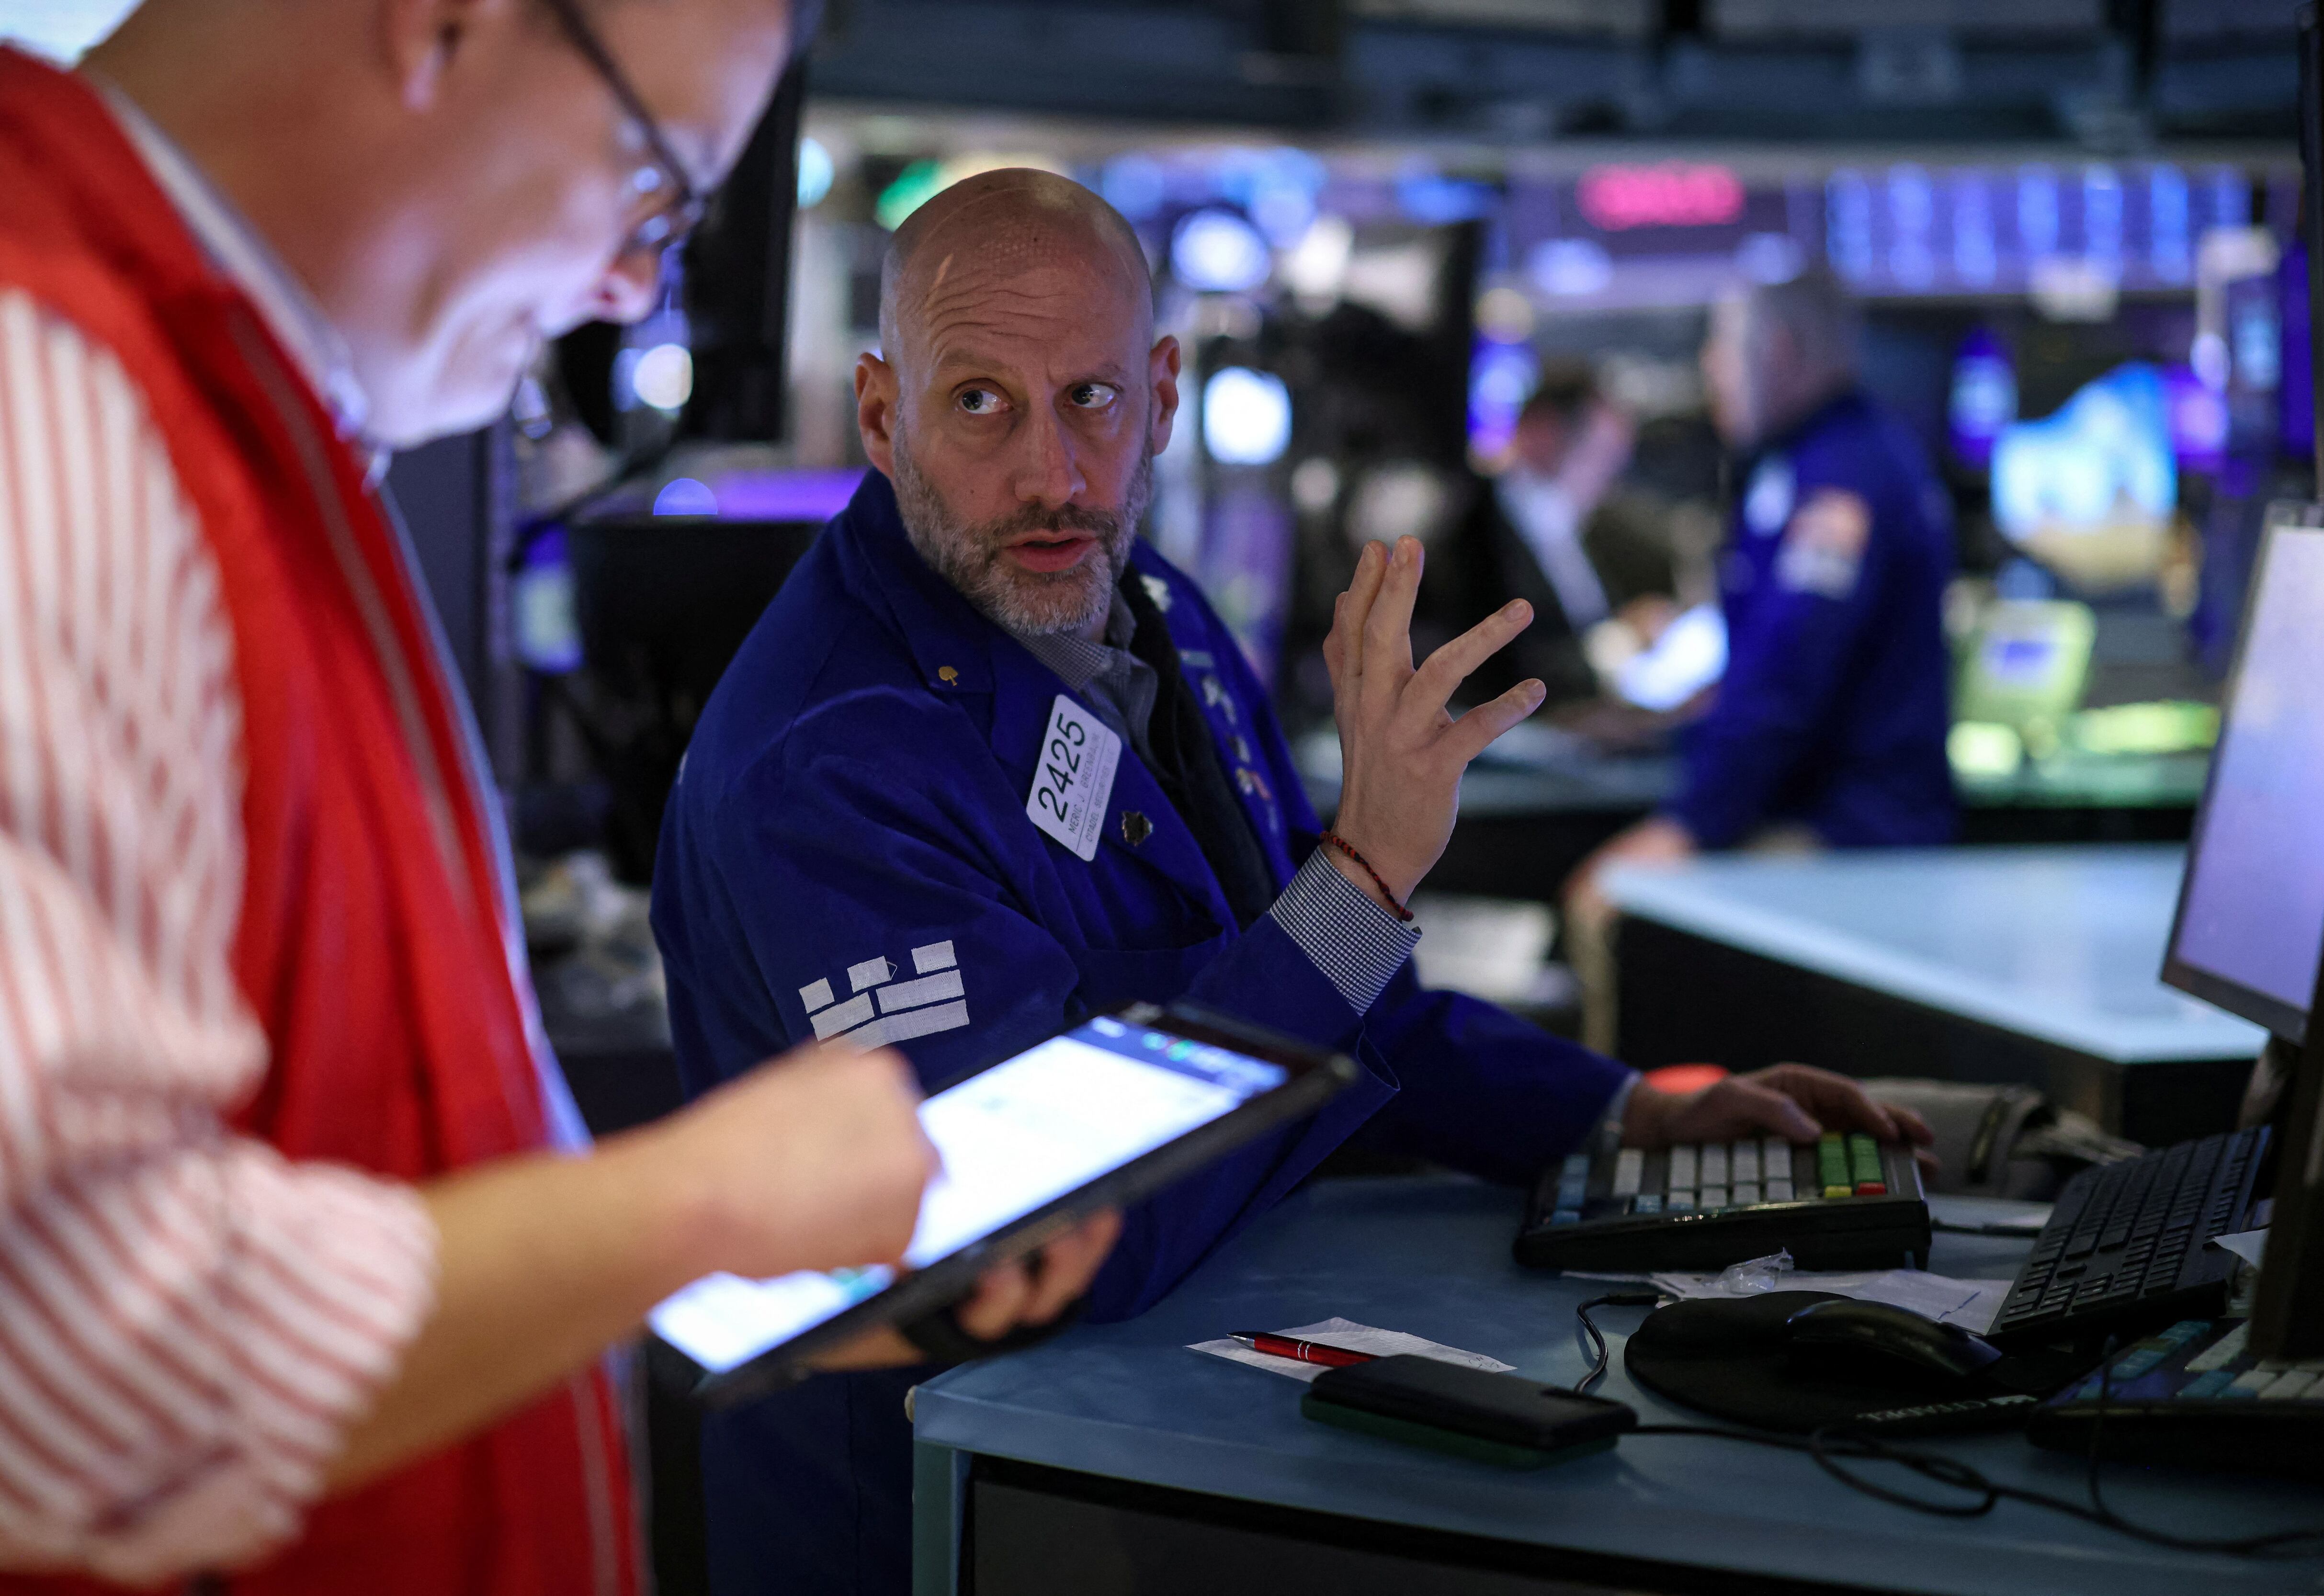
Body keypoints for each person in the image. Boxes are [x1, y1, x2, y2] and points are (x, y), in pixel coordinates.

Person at [651, 169, 1935, 1596]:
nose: (1054, 475)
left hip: (1164, 1442)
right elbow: (1042, 1229)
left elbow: (1334, 1002)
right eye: (979, 403)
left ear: (1163, 395)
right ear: (883, 415)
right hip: (924, 1512)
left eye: (1089, 398)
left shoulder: (1160, 622)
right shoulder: (827, 762)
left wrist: (1622, 1111)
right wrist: (1368, 866)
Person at [0, 3, 1114, 1589]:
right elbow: (54, 1354)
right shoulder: (44, 387)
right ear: (439, 25)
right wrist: (690, 1206)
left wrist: (692, 1257)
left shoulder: (242, 417)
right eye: (655, 190)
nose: (627, 290)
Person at [1562, 268, 1958, 1049]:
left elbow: (1789, 679)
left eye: (1720, 345)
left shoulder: (1839, 484)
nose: (1710, 368)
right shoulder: (1823, 460)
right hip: (1828, 812)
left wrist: (1690, 823)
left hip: (1850, 832)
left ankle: (1626, 1136)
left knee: (1604, 905)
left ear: (1775, 349)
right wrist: (1669, 717)